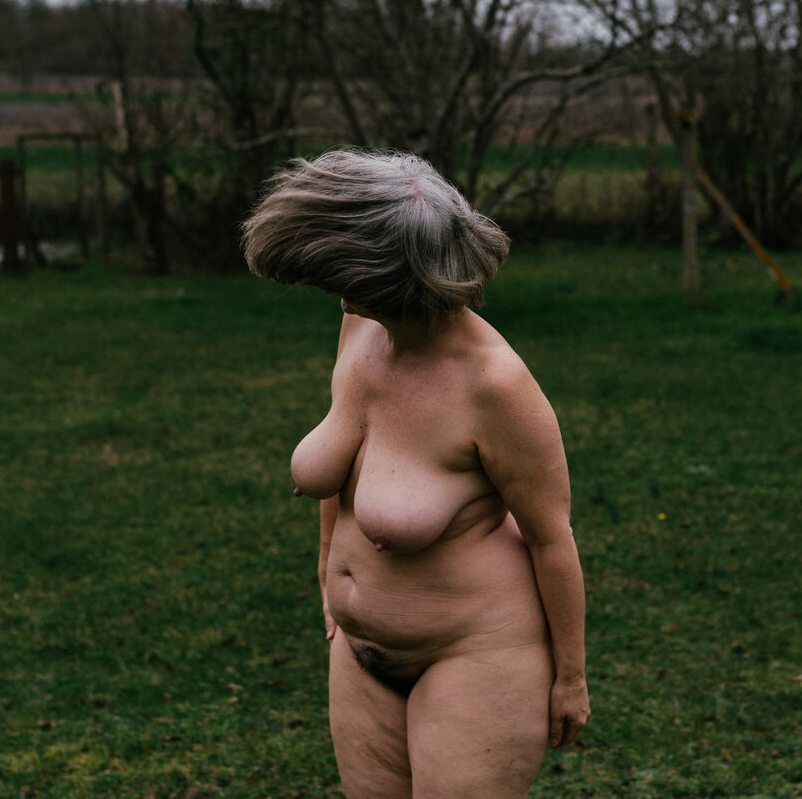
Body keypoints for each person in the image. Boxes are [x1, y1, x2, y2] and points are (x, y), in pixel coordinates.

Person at [241, 150, 589, 798]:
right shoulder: (361, 327)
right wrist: (328, 569)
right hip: (357, 654)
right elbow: (350, 466)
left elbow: (551, 538)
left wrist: (571, 678)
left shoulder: (495, 386)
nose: (336, 293)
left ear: (387, 277)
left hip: (475, 657)